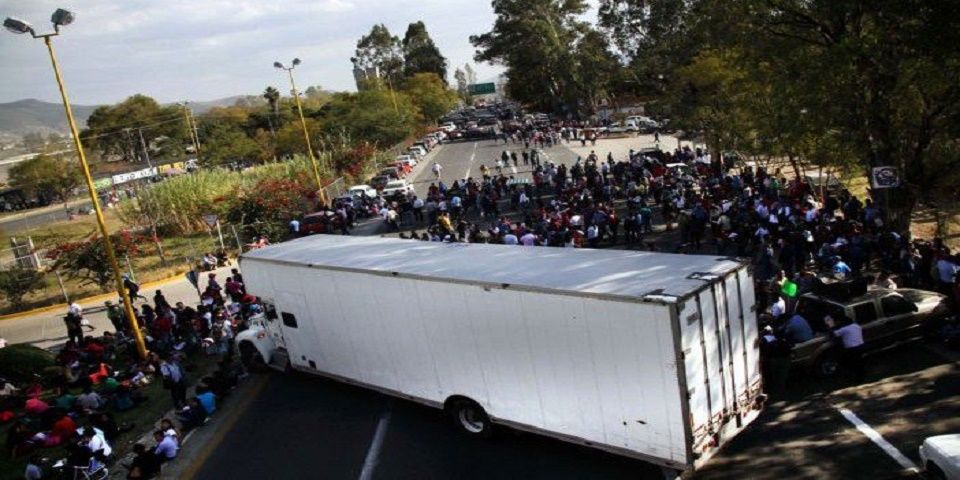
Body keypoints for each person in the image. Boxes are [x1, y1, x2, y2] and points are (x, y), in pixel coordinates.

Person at [826, 314, 865, 382]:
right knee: (859, 362)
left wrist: (831, 326)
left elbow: (833, 334)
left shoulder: (844, 329)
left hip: (852, 349)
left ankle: (857, 378)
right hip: (861, 346)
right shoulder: (856, 326)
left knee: (853, 363)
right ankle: (862, 375)